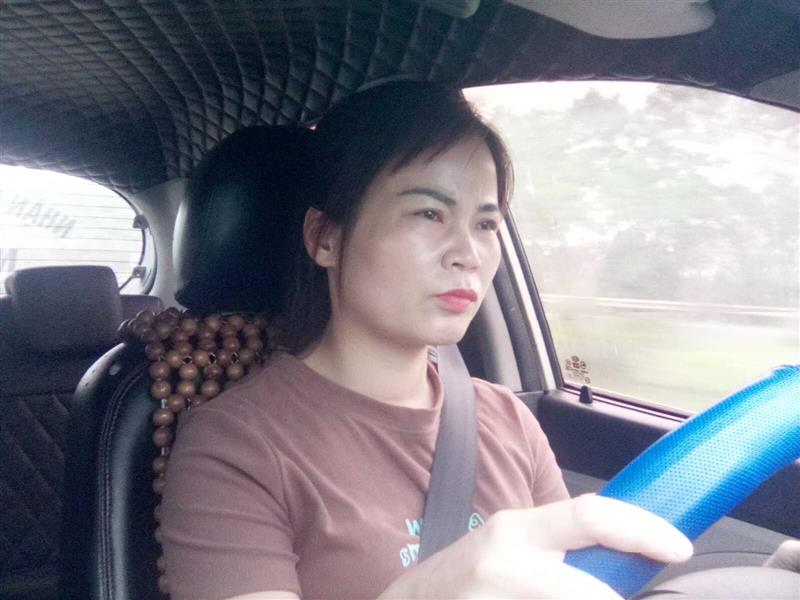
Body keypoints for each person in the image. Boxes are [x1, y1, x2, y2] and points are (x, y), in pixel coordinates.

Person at [160, 81, 694, 600]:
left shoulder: (507, 420)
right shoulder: (235, 446)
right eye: (428, 213)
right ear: (325, 237)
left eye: (486, 224)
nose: (468, 253)